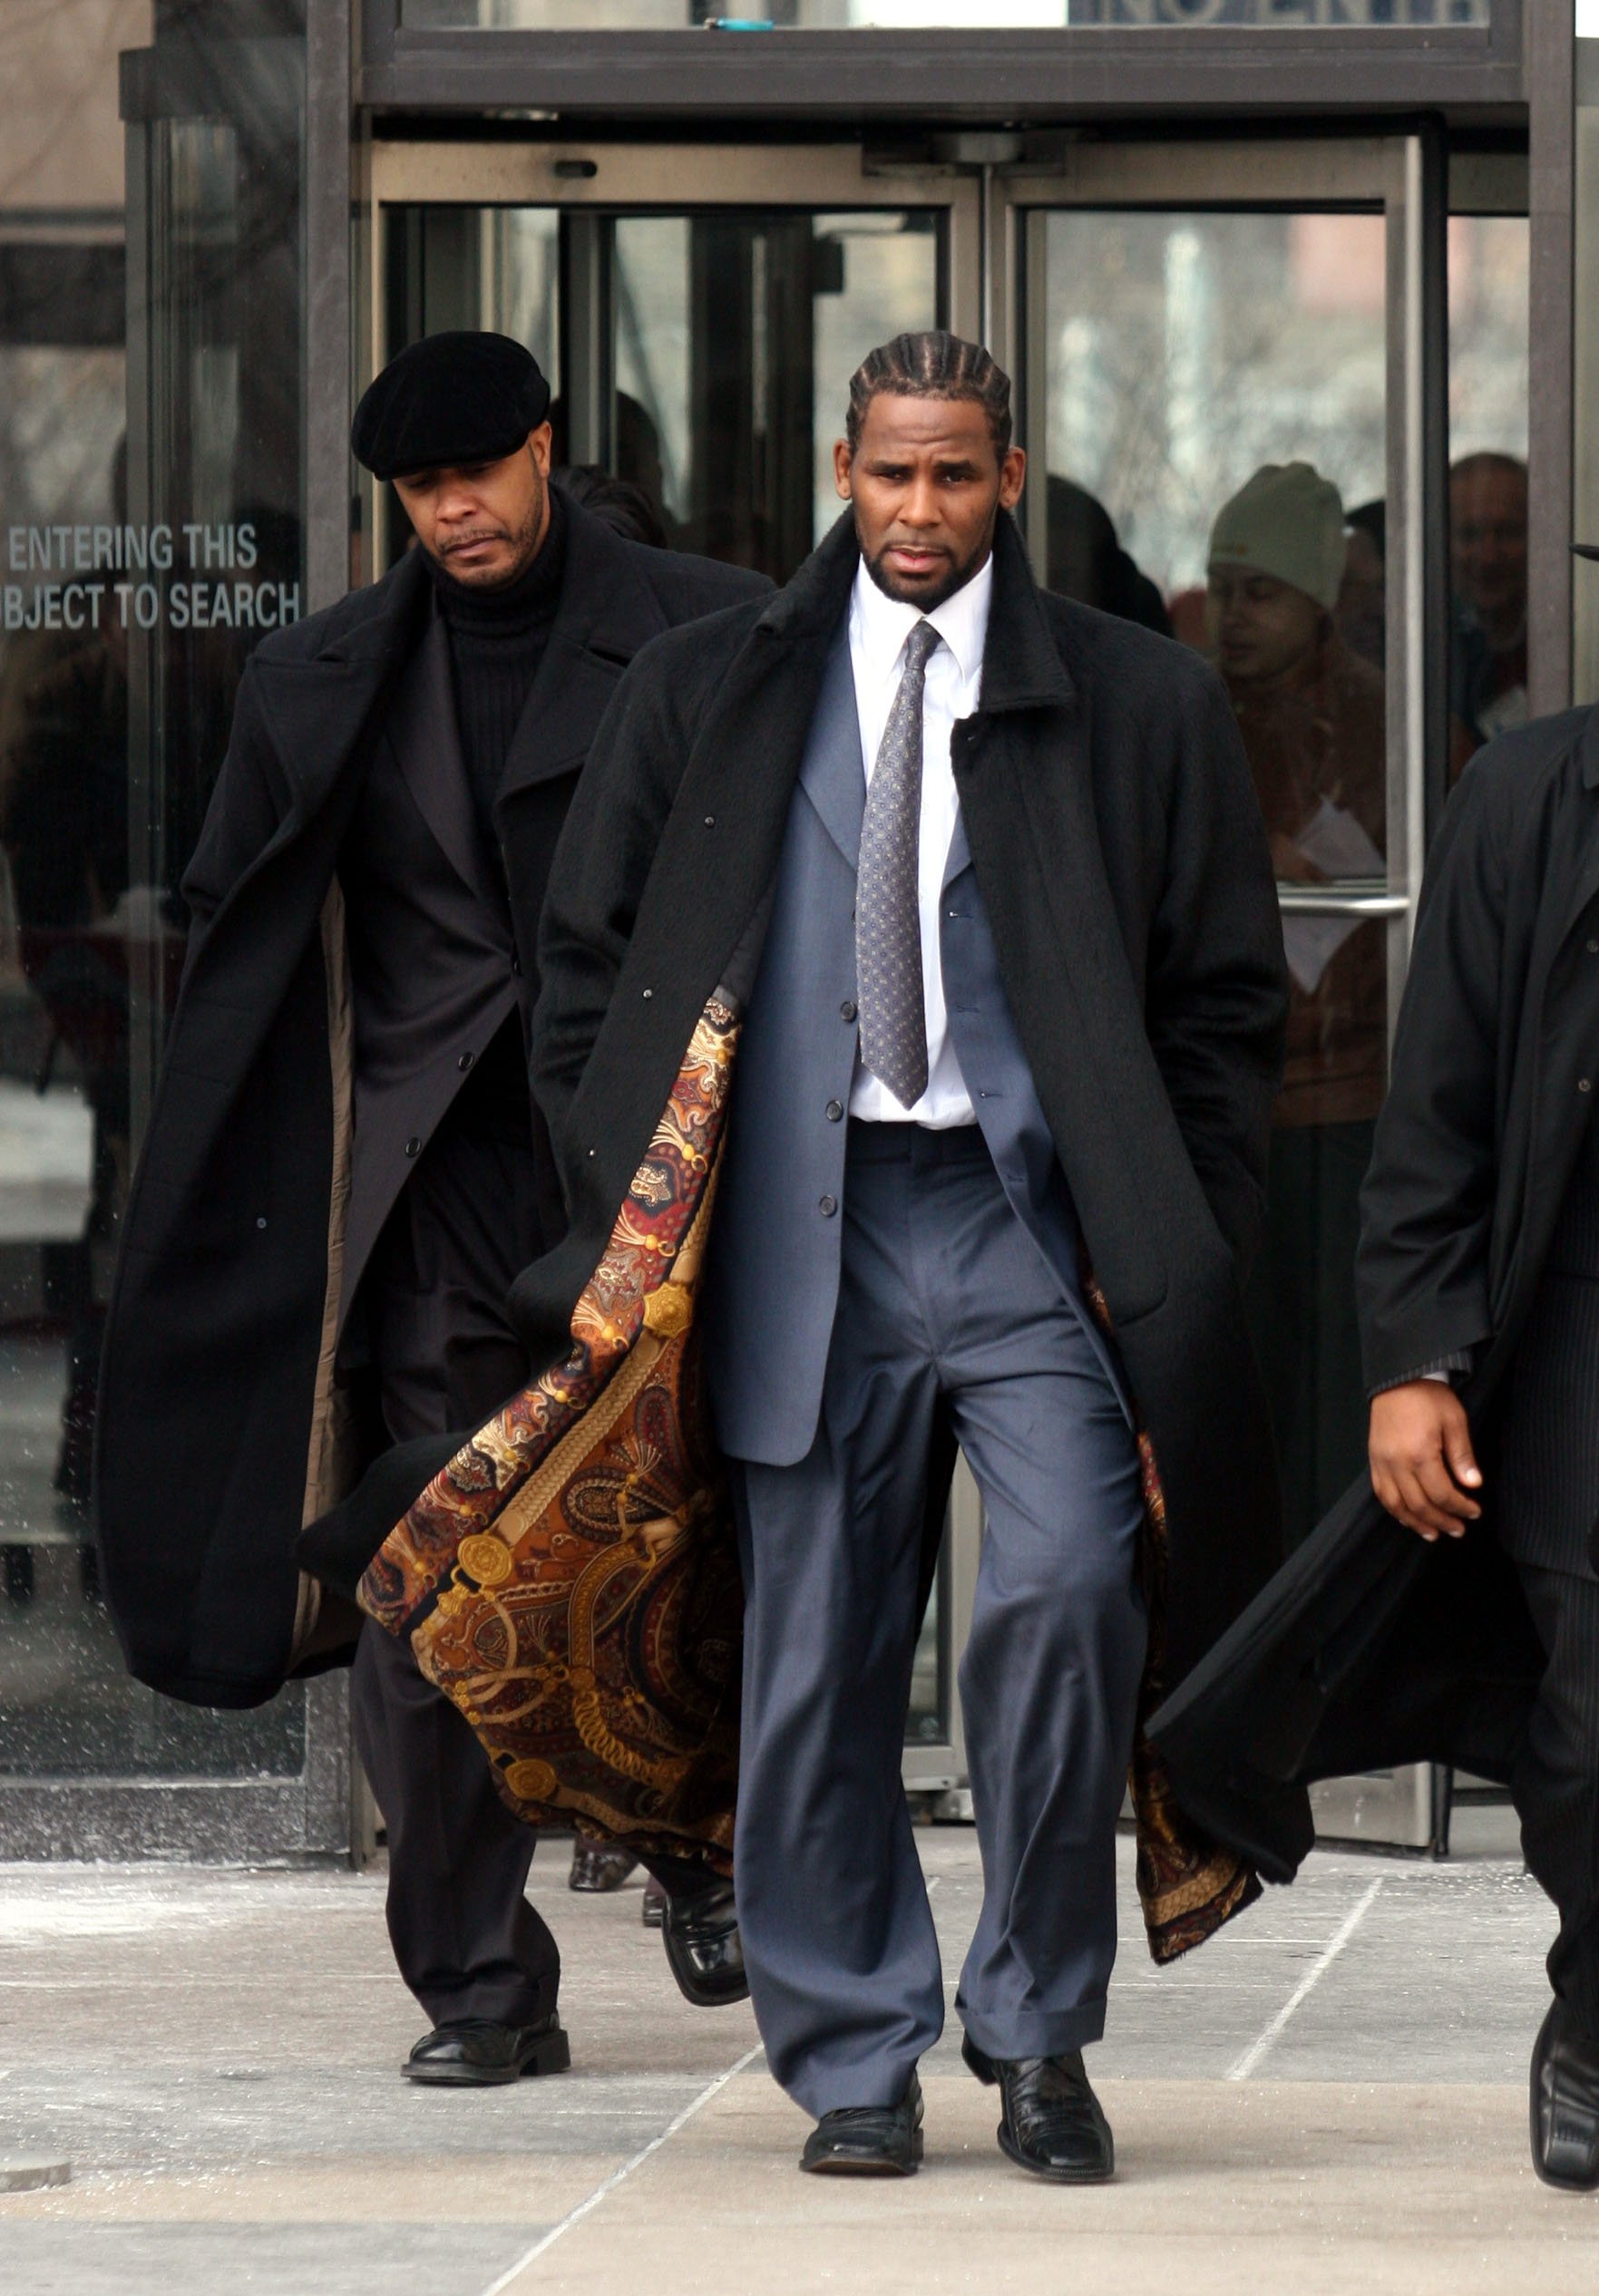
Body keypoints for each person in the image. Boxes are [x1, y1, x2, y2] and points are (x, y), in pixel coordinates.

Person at [529, 331, 1288, 2180]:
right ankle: (851, 2052)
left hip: (1029, 1229)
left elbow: (1218, 1008)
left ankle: (1033, 2037)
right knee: (813, 1658)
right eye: (889, 474)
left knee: (1063, 1604)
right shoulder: (715, 686)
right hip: (805, 1222)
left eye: (954, 475)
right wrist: (634, 1204)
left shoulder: (1134, 699)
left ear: (1008, 479)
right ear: (841, 471)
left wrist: (1160, 1229)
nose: (918, 511)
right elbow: (585, 973)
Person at [95, 331, 766, 2087]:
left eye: (477, 473)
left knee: (692, 1539)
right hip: (407, 1200)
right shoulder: (318, 672)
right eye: (418, 489)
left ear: (543, 447)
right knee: (420, 1572)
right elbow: (240, 945)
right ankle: (477, 1984)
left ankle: (703, 1849)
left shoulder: (706, 627)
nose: (452, 512)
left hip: (645, 1183)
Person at [1150, 680, 1599, 2193]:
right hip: (1576, 1337)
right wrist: (1413, 1358)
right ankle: (1593, 2021)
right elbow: (1440, 1104)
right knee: (1590, 1721)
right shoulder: (1531, 797)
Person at [1206, 462, 1388, 1545]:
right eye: (1221, 586)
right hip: (1230, 1105)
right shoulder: (1186, 708)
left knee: (1329, 1398)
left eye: (1259, 590)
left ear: (1318, 597)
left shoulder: (1381, 724)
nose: (1232, 615)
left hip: (1342, 1103)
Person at [1450, 450, 1529, 753]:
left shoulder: (1573, 636)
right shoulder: (1418, 646)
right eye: (1469, 535)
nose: (1488, 556)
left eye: (1507, 532)